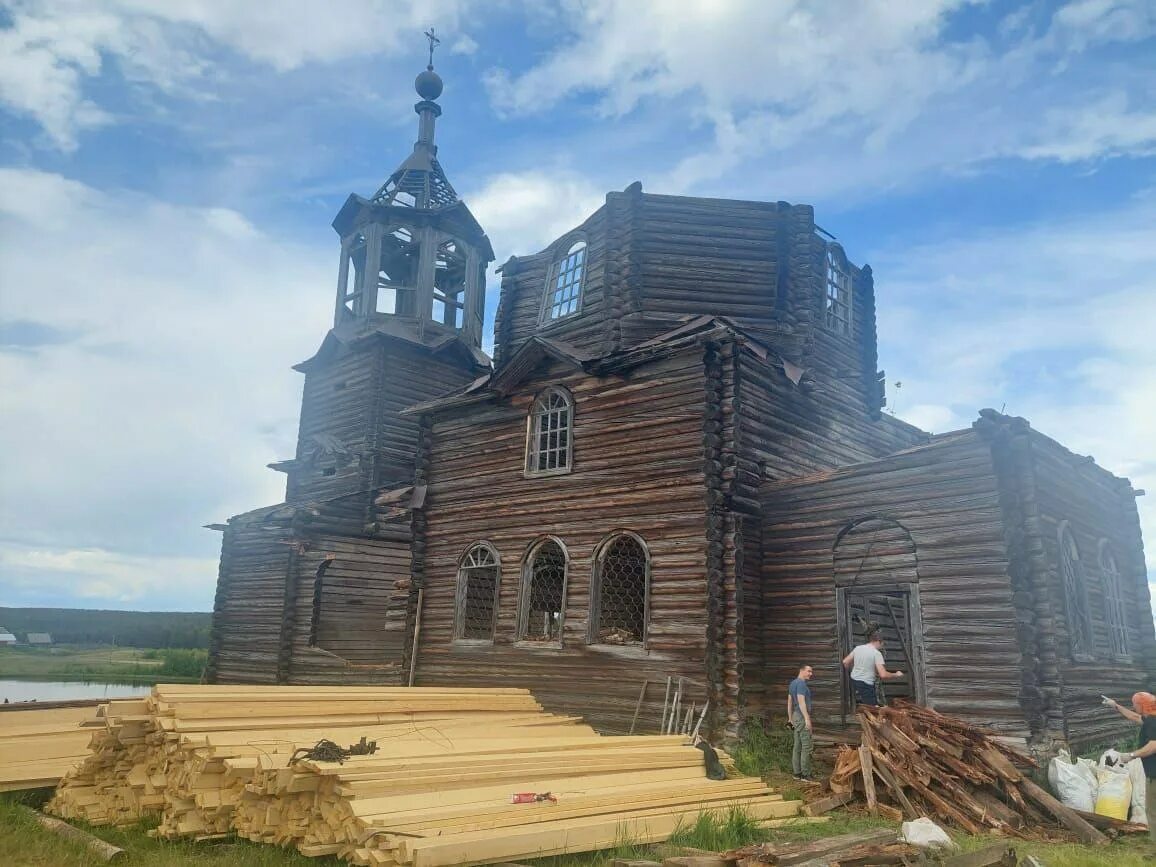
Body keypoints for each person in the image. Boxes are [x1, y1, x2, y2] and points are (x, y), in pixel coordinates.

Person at [1103, 691, 1156, 844]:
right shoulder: (1150, 718)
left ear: (1142, 705)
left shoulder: (1152, 721)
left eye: (1135, 704)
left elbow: (1153, 746)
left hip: (1155, 776)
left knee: (1152, 812)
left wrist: (1131, 755)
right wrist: (1115, 706)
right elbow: (1134, 717)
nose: (1133, 707)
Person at [842, 632, 903, 707]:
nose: (882, 646)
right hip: (866, 684)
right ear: (879, 641)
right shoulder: (876, 653)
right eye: (882, 643)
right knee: (873, 709)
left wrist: (855, 670)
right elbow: (883, 675)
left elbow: (845, 662)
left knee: (865, 706)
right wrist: (896, 674)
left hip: (854, 681)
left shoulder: (858, 648)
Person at [787, 664, 815, 780]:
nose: (810, 674)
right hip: (802, 717)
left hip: (796, 717)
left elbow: (789, 702)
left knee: (797, 746)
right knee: (806, 746)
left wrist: (790, 718)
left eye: (811, 672)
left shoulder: (793, 683)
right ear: (801, 671)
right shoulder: (801, 684)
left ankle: (797, 773)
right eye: (808, 671)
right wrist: (807, 719)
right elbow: (801, 701)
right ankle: (805, 774)